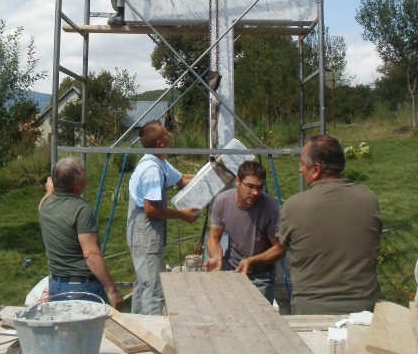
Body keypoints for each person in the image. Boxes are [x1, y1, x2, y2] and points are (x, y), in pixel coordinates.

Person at [279, 135, 382, 315]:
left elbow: (284, 244)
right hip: (363, 310)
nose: (300, 169)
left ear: (316, 169)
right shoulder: (369, 199)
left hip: (310, 311)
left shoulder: (294, 206)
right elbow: (374, 240)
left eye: (303, 164)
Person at [127, 120, 200, 315]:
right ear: (160, 143)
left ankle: (137, 326)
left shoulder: (158, 161)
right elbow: (151, 209)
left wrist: (213, 173)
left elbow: (182, 179)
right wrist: (181, 215)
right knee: (152, 289)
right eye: (167, 132)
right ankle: (150, 334)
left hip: (143, 233)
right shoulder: (152, 170)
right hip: (144, 234)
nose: (171, 134)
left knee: (143, 282)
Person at [39, 157, 123, 308]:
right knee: (94, 330)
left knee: (63, 330)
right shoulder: (81, 210)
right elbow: (91, 255)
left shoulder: (47, 207)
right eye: (84, 174)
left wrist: (50, 191)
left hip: (57, 286)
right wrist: (112, 290)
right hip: (82, 289)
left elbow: (41, 205)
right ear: (77, 184)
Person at [204, 161, 285, 304]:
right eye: (250, 186)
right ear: (237, 181)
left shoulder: (272, 209)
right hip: (232, 270)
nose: (255, 193)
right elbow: (213, 237)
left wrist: (252, 261)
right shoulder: (222, 202)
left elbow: (280, 248)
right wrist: (217, 257)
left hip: (261, 276)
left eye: (260, 188)